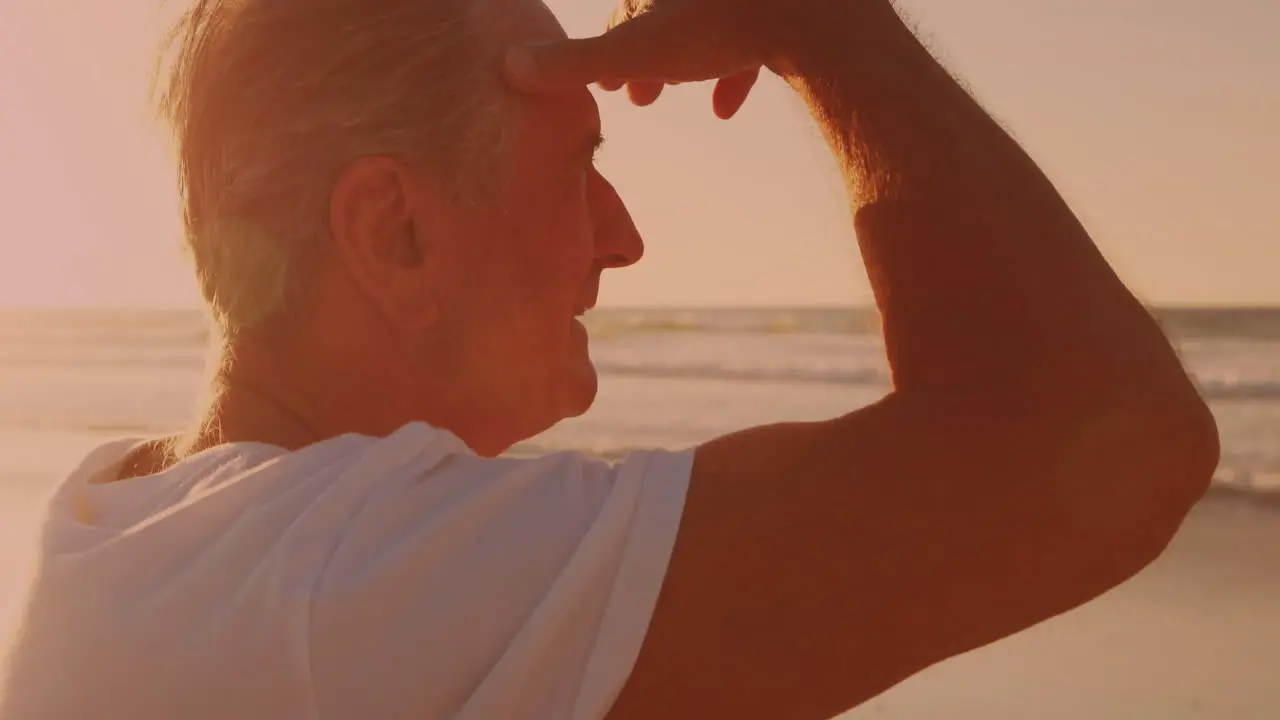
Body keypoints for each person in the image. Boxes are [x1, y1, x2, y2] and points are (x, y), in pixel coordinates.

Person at [0, 0, 1219, 717]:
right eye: (577, 163)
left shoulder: (126, 527)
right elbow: (1100, 433)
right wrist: (822, 27)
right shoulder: (330, 590)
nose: (625, 237)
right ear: (397, 232)